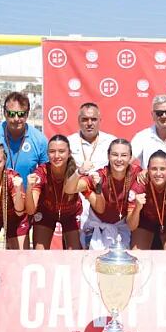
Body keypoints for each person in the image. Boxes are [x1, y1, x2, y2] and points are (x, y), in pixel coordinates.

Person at [70, 139, 138, 249]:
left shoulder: (137, 173)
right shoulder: (99, 176)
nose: (119, 159)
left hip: (121, 229)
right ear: (108, 156)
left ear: (130, 157)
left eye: (124, 155)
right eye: (115, 155)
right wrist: (79, 172)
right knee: (92, 264)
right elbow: (70, 189)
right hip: (96, 230)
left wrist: (146, 174)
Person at [67, 102, 118, 248]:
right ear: (79, 121)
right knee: (75, 253)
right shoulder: (69, 142)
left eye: (93, 119)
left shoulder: (111, 142)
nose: (89, 123)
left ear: (100, 120)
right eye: (85, 119)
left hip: (102, 207)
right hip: (74, 206)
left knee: (101, 255)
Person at [25, 135, 84, 250]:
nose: (56, 156)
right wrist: (29, 188)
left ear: (69, 153)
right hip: (46, 212)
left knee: (75, 254)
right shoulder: (41, 171)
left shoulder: (76, 172)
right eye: (52, 151)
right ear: (47, 154)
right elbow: (31, 210)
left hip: (71, 213)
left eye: (61, 151)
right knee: (39, 253)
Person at [0, 91, 48, 179]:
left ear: (27, 115)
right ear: (5, 113)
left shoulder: (40, 140)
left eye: (21, 114)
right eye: (11, 114)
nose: (16, 119)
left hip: (26, 192)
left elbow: (46, 174)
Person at [127, 150, 166, 250]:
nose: (158, 173)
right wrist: (137, 208)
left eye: (162, 169)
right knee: (137, 256)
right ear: (147, 169)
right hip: (145, 223)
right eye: (154, 169)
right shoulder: (139, 185)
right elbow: (131, 226)